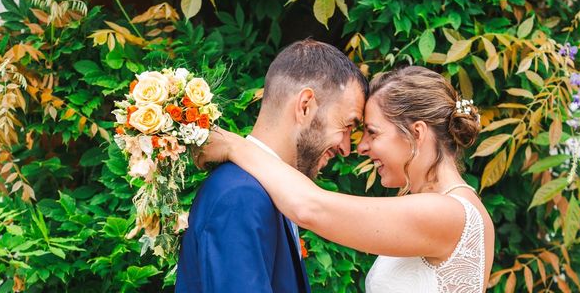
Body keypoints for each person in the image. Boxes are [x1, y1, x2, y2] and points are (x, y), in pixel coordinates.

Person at [199, 66, 495, 293]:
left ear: (416, 133)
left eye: (373, 132)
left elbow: (311, 208)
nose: (361, 147)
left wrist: (234, 146)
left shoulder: (447, 213)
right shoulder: (453, 207)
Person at [175, 39, 368, 292]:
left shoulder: (264, 190)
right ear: (305, 106)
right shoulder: (241, 195)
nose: (346, 148)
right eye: (347, 126)